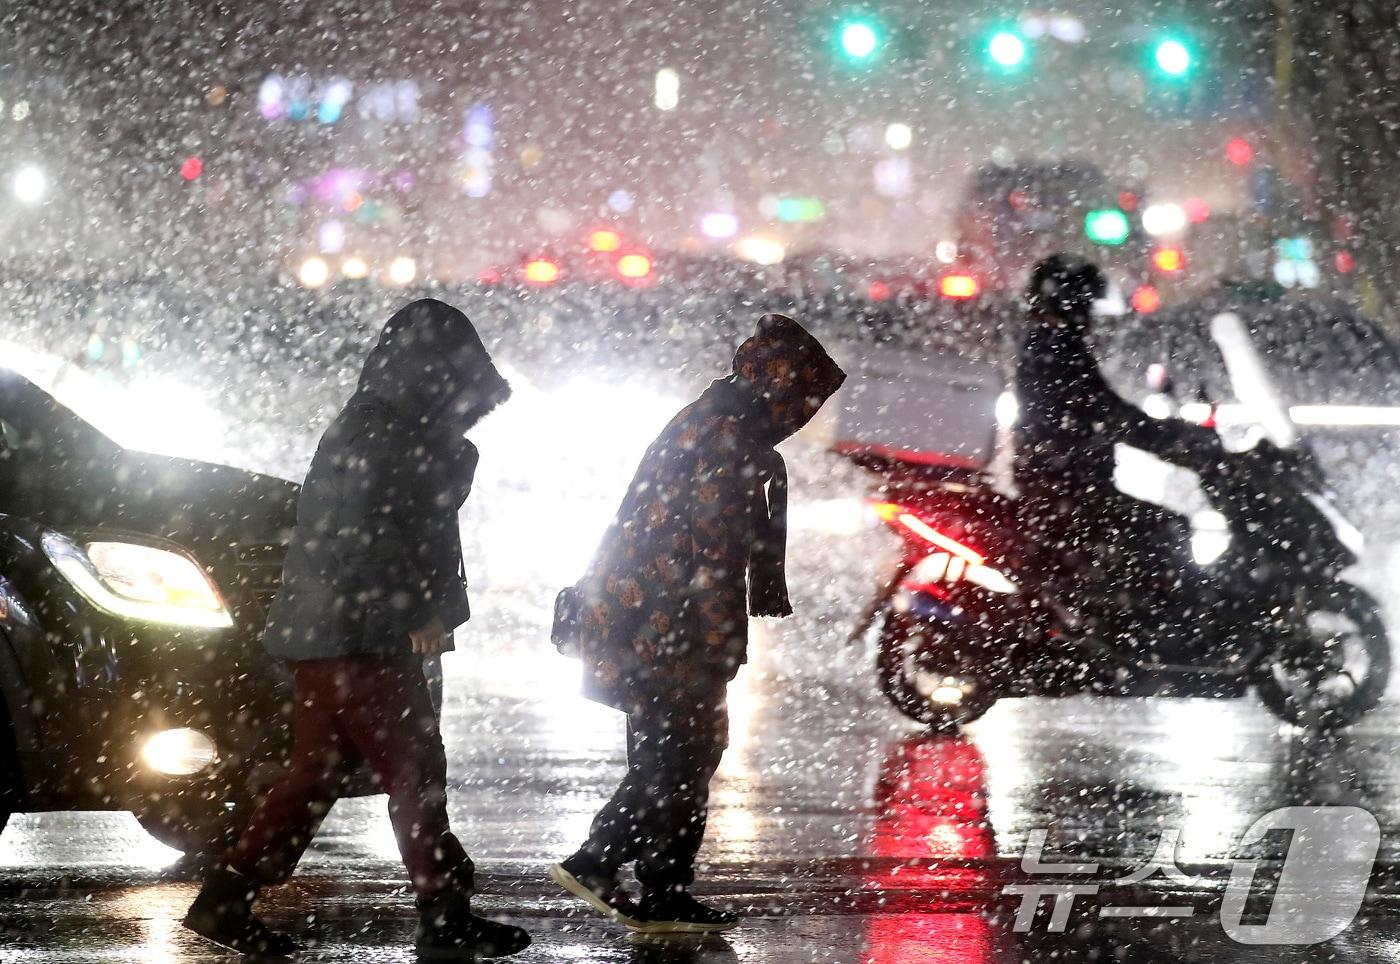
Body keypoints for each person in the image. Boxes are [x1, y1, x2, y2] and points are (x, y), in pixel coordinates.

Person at [182, 299, 530, 960]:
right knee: (416, 769)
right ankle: (443, 911)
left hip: (332, 631)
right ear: (435, 372)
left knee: (314, 774)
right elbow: (376, 533)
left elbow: (394, 524)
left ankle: (225, 900)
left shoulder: (381, 425)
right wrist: (417, 607)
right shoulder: (387, 433)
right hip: (360, 634)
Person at [549, 313, 846, 934]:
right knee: (683, 756)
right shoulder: (726, 442)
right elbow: (714, 555)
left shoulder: (711, 421)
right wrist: (721, 642)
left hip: (640, 616)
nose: (802, 417)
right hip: (665, 624)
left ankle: (661, 889)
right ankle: (600, 861)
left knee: (669, 755)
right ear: (779, 391)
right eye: (803, 402)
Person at [1013, 255, 1224, 638]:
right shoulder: (1056, 348)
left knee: (1147, 533)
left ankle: (1125, 622)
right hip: (1066, 483)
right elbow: (1106, 410)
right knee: (1166, 530)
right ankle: (1151, 630)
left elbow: (1102, 409)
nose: (1092, 316)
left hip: (1063, 479)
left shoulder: (1052, 343)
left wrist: (1167, 435)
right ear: (1071, 302)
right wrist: (1174, 439)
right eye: (1086, 305)